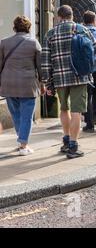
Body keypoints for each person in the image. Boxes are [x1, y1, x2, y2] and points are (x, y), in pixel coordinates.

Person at [42, 5, 96, 159]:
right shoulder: (82, 29)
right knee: (76, 111)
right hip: (80, 76)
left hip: (59, 78)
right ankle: (73, 146)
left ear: (59, 16)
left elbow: (46, 61)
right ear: (72, 15)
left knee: (64, 109)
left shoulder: (50, 34)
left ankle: (66, 140)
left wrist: (47, 83)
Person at [0, 16, 44, 156]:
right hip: (28, 85)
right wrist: (43, 83)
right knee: (26, 116)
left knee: (16, 115)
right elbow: (40, 67)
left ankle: (21, 141)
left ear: (14, 27)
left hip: (8, 84)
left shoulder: (4, 43)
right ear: (29, 28)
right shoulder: (34, 43)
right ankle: (24, 145)